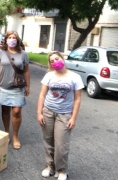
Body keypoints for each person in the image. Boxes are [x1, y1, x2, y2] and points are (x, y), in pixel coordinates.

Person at [37, 51, 84, 180]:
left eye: (57, 59)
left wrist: (73, 118)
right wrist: (39, 113)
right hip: (48, 112)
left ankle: (62, 170)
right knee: (48, 141)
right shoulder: (49, 76)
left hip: (64, 114)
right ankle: (49, 167)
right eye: (52, 61)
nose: (55, 62)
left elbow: (77, 99)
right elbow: (42, 95)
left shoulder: (75, 77)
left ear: (62, 59)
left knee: (61, 144)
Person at [0, 31, 30, 150]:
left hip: (18, 87)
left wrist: (28, 86)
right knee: (5, 111)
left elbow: (26, 71)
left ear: (18, 40)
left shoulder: (23, 54)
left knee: (16, 111)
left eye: (14, 37)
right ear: (6, 39)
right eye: (9, 37)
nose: (12, 39)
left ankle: (15, 136)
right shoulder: (0, 52)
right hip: (3, 86)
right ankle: (7, 133)